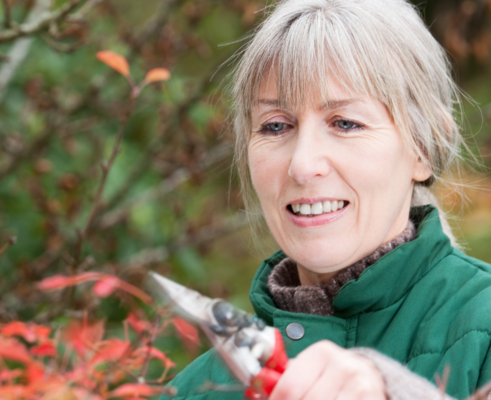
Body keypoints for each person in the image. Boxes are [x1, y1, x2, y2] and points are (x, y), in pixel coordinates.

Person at [160, 0, 491, 399]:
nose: (302, 165)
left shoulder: (483, 331)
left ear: (423, 148)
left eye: (345, 123)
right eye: (276, 126)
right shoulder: (194, 390)